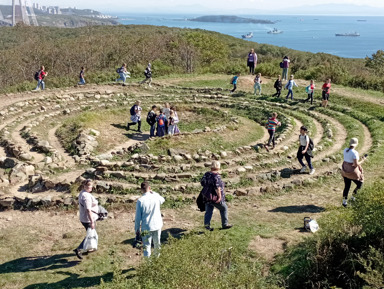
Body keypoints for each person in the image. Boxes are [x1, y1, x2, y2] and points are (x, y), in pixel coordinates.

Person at [134, 181, 165, 258]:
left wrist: (137, 229)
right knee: (157, 244)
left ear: (141, 189)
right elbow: (163, 200)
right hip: (157, 224)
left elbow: (138, 218)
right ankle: (157, 259)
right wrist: (153, 192)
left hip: (146, 226)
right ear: (149, 188)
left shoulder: (140, 201)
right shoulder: (155, 197)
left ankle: (148, 264)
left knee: (147, 246)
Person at [201, 161, 233, 231]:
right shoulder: (216, 176)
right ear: (218, 167)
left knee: (208, 211)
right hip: (214, 196)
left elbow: (202, 183)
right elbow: (217, 187)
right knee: (224, 208)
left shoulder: (206, 174)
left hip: (207, 196)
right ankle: (225, 224)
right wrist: (219, 197)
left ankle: (207, 226)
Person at [74, 179, 98, 260]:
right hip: (87, 219)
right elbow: (88, 210)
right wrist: (92, 221)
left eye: (90, 185)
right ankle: (79, 249)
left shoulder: (82, 193)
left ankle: (91, 247)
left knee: (92, 233)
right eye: (88, 185)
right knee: (90, 234)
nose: (90, 187)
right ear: (84, 186)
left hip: (84, 217)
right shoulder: (86, 197)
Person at [341, 138, 365, 207]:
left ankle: (344, 202)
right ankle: (353, 197)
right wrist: (363, 160)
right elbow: (355, 164)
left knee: (347, 186)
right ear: (356, 144)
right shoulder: (355, 153)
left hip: (345, 170)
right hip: (352, 172)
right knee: (360, 183)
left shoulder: (345, 150)